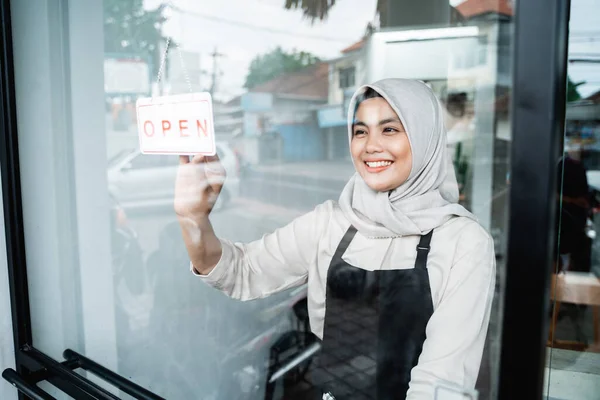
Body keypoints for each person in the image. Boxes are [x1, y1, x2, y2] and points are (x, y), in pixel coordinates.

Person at [174, 79, 496, 400]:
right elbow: (242, 270)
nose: (371, 146)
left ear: (424, 136)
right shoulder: (331, 223)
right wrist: (194, 220)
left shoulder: (463, 243)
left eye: (389, 130)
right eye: (360, 131)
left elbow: (441, 387)